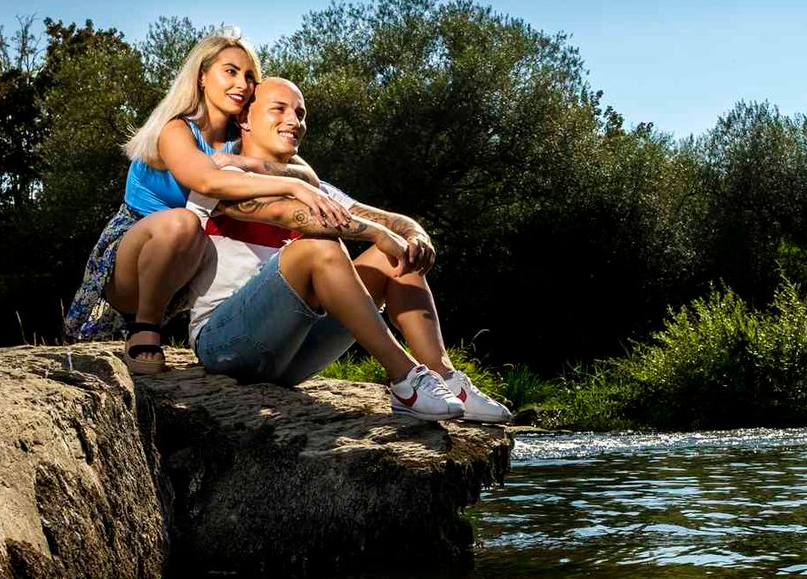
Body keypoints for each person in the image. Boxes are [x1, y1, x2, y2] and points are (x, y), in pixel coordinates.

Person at [184, 77, 512, 423]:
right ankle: (405, 378)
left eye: (300, 113)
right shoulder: (222, 173)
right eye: (278, 109)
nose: (294, 121)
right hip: (225, 345)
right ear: (245, 120)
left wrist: (415, 235)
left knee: (394, 256)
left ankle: (445, 376)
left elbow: (390, 220)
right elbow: (295, 215)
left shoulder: (311, 185)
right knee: (318, 247)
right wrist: (377, 233)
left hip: (290, 356)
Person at [62, 29, 350, 373]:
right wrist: (287, 186)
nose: (241, 84)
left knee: (200, 235)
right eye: (230, 71)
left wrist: (260, 167)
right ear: (201, 77)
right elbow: (206, 180)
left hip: (188, 263)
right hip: (137, 253)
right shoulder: (177, 129)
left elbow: (309, 176)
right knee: (182, 223)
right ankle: (146, 330)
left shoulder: (239, 141)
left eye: (249, 77)